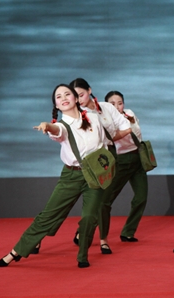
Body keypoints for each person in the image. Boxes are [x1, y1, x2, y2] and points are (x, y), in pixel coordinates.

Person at [0, 84, 109, 268]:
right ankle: (16, 252)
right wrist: (46, 126)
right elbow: (56, 130)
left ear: (76, 98)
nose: (63, 98)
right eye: (58, 97)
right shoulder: (61, 126)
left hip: (95, 175)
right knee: (48, 216)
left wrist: (107, 169)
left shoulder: (94, 118)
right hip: (71, 176)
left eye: (67, 94)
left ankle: (83, 255)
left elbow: (103, 145)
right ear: (56, 105)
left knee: (89, 217)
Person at [69, 78, 132, 254]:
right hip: (90, 158)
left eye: (81, 94)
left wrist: (110, 139)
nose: (79, 99)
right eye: (75, 97)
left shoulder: (106, 107)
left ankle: (103, 239)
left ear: (89, 90)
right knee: (88, 200)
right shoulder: (78, 114)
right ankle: (79, 232)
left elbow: (126, 126)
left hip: (109, 155)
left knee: (104, 201)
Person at [95, 91, 149, 249]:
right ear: (106, 106)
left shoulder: (129, 113)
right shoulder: (105, 120)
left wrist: (130, 122)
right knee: (106, 200)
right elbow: (112, 139)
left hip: (137, 159)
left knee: (141, 197)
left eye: (120, 103)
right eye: (112, 104)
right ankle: (84, 229)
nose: (117, 106)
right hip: (120, 161)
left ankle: (128, 232)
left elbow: (138, 135)